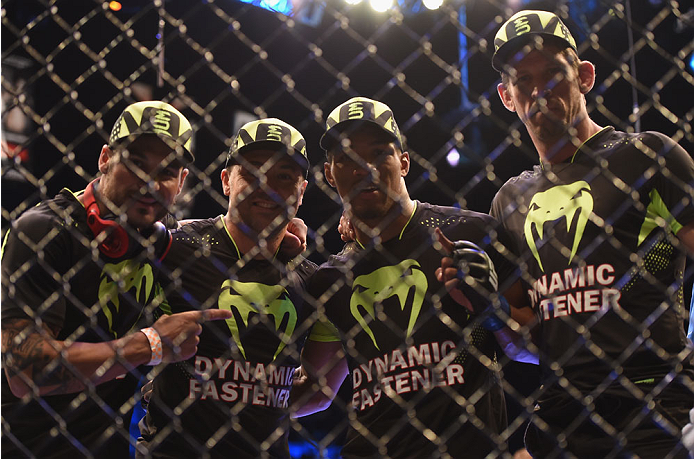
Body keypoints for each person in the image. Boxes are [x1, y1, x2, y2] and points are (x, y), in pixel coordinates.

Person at [489, 10, 694, 458]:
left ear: (584, 76)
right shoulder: (509, 200)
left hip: (653, 399)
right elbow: (529, 340)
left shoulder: (648, 156)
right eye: (523, 80)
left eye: (554, 74)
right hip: (560, 413)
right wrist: (485, 311)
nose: (539, 90)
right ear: (507, 96)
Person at [292, 97, 532, 458]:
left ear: (403, 162)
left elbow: (535, 344)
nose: (363, 168)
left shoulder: (469, 231)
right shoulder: (332, 279)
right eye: (345, 158)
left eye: (378, 153)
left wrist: (493, 308)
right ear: (329, 173)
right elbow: (315, 389)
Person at [1, 101, 232, 458]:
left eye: (168, 171)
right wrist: (151, 344)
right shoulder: (45, 231)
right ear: (106, 158)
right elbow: (23, 371)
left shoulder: (157, 238)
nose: (150, 183)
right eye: (136, 163)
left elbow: (215, 232)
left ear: (182, 182)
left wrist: (283, 229)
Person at [137, 118, 326, 458]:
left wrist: (248, 400)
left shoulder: (313, 279)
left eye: (283, 176)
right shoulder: (175, 245)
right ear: (226, 181)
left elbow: (318, 390)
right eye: (252, 172)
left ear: (302, 191)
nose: (267, 187)